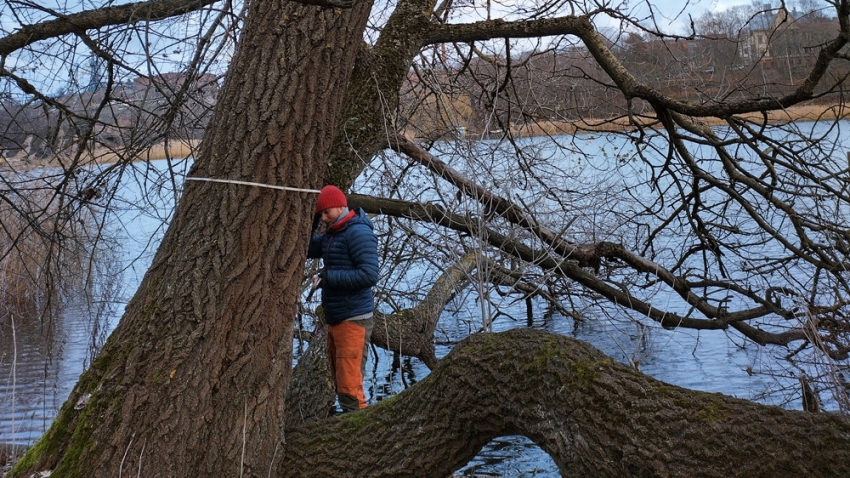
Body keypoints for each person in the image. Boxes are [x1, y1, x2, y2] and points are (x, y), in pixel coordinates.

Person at [308, 184, 379, 413]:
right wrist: (310, 223)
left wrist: (329, 277)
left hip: (354, 318)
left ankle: (363, 437)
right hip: (337, 317)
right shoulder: (332, 232)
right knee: (342, 384)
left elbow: (369, 275)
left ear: (339, 206)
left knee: (350, 388)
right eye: (320, 214)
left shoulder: (358, 232)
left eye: (325, 212)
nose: (323, 217)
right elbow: (306, 248)